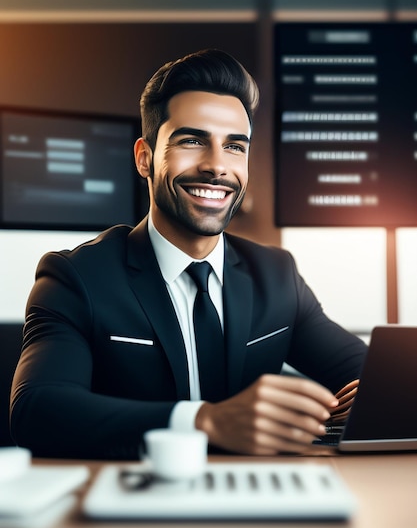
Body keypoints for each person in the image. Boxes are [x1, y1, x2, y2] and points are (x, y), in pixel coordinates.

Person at [10, 49, 367, 460]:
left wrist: (380, 395)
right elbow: (37, 411)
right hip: (134, 501)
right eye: (193, 141)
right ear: (145, 157)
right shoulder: (76, 277)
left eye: (235, 147)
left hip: (260, 498)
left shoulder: (276, 274)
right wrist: (203, 421)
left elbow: (368, 377)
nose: (217, 166)